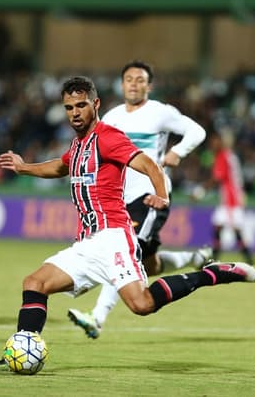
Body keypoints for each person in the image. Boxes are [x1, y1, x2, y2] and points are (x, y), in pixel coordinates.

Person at [0, 76, 255, 372]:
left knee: (142, 304)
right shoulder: (78, 144)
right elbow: (61, 165)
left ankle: (210, 274)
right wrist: (24, 168)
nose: (75, 112)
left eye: (81, 105)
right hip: (86, 243)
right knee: (35, 283)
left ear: (95, 104)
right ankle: (19, 352)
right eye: (69, 107)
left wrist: (161, 195)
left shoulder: (109, 137)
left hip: (113, 239)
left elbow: (149, 164)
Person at [67, 60, 208, 339]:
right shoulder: (111, 117)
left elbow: (197, 131)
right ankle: (196, 256)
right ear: (122, 85)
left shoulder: (160, 113)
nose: (134, 83)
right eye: (129, 79)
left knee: (123, 253)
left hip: (150, 195)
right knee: (149, 263)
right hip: (120, 197)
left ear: (149, 86)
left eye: (140, 80)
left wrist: (178, 151)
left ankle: (97, 317)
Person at [205, 130, 255, 265]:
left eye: (215, 142)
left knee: (235, 229)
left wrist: (200, 191)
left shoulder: (223, 156)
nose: (212, 145)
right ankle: (214, 259)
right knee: (218, 226)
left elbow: (217, 178)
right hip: (233, 197)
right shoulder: (230, 156)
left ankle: (249, 260)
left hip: (231, 199)